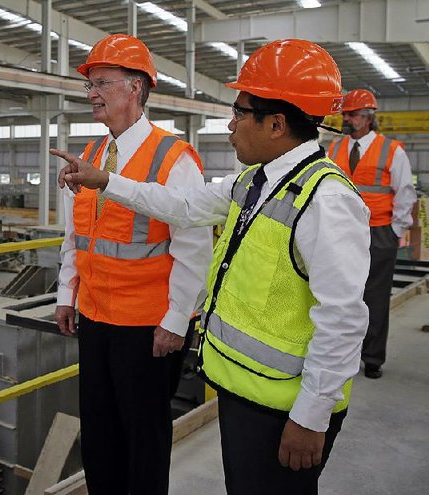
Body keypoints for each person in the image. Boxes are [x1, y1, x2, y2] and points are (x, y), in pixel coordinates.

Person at [52, 39, 370, 495]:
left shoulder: (327, 201)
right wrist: (105, 180)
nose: (230, 124)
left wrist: (311, 416)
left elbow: (342, 320)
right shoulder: (254, 182)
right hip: (244, 388)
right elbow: (180, 205)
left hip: (284, 404)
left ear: (276, 123)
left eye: (240, 113)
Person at [53, 33, 211, 495]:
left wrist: (177, 321)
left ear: (136, 88)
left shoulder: (173, 158)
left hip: (148, 327)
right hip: (96, 318)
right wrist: (68, 293)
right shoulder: (93, 155)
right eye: (89, 85)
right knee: (100, 436)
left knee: (143, 437)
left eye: (102, 82)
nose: (92, 93)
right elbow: (75, 234)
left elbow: (194, 248)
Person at [328, 89, 417, 379]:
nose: (347, 119)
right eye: (345, 114)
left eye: (352, 114)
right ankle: (340, 355)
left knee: (375, 297)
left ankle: (373, 358)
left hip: (379, 232)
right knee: (337, 295)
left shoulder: (392, 150)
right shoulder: (334, 149)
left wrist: (395, 231)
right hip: (340, 232)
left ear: (368, 118)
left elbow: (405, 193)